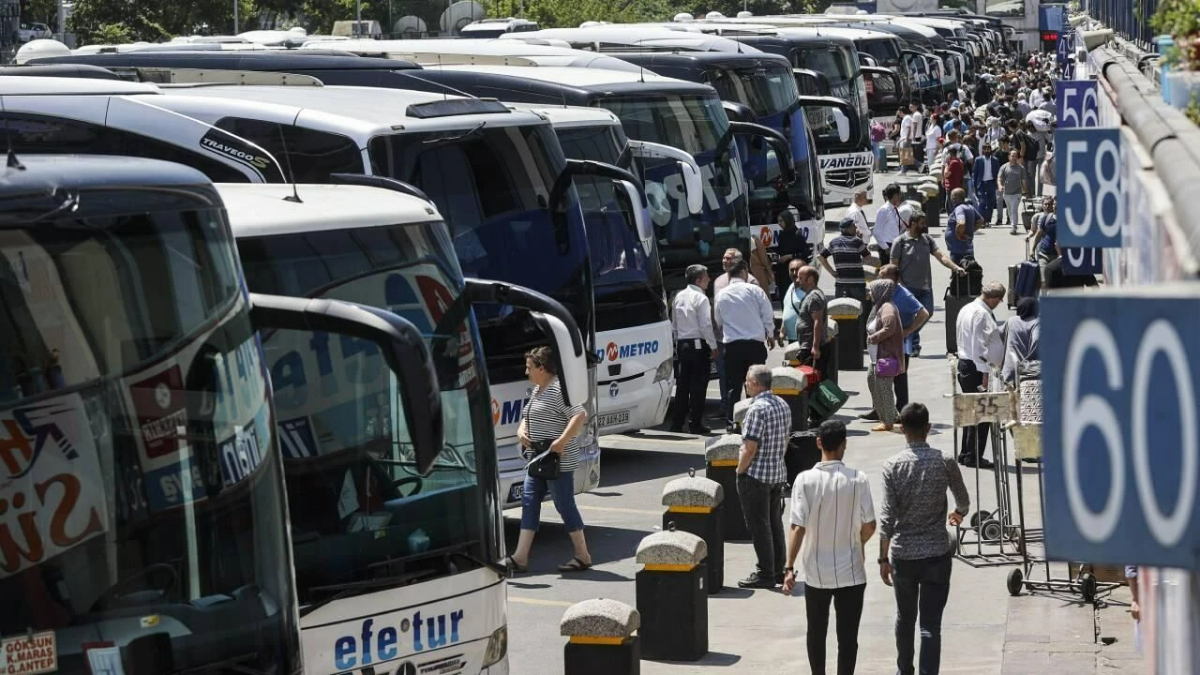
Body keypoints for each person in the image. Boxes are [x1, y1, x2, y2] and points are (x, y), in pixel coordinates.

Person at [878, 403, 971, 675]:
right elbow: (963, 500)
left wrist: (883, 558)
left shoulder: (892, 466)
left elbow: (886, 517)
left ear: (902, 430)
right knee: (931, 625)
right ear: (928, 429)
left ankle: (904, 670)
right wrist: (958, 514)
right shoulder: (945, 461)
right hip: (937, 554)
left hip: (904, 555)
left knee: (905, 618)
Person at [783, 420, 876, 675]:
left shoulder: (804, 480)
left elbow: (797, 527)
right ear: (844, 444)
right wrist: (857, 543)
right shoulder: (859, 478)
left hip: (816, 573)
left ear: (818, 443)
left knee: (816, 632)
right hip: (852, 572)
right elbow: (870, 525)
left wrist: (789, 567)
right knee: (848, 638)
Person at [509, 346, 593, 573]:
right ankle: (521, 556)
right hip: (538, 458)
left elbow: (580, 414)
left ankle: (583, 555)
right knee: (529, 501)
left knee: (563, 504)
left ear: (542, 368)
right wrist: (521, 431)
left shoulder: (558, 390)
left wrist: (562, 441)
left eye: (529, 368)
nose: (527, 373)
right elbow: (528, 414)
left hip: (557, 460)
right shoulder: (537, 390)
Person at [736, 365, 792, 589]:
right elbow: (786, 439)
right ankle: (778, 569)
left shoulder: (757, 409)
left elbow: (749, 448)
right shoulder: (782, 404)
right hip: (777, 472)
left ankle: (765, 573)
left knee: (759, 526)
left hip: (756, 476)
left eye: (748, 381)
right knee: (774, 523)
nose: (746, 384)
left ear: (757, 384)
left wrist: (740, 471)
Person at [890, 213, 966, 357]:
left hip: (925, 287)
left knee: (926, 313)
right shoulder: (900, 242)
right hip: (907, 288)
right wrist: (900, 286)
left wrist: (955, 267)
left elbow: (941, 256)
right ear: (912, 224)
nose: (925, 226)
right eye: (922, 223)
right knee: (912, 317)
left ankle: (907, 336)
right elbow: (893, 266)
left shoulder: (927, 240)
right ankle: (912, 345)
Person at [714, 259, 775, 429]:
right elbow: (767, 314)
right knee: (756, 385)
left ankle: (731, 422)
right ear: (744, 272)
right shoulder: (755, 290)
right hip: (755, 346)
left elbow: (718, 321)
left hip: (732, 346)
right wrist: (770, 335)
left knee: (733, 386)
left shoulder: (721, 294)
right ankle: (755, 420)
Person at [954, 282, 1006, 469]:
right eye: (999, 300)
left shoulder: (967, 308)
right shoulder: (982, 314)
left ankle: (966, 453)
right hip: (976, 368)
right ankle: (974, 456)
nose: (998, 304)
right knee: (982, 414)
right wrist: (984, 373)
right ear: (993, 298)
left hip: (967, 365)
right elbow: (978, 347)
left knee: (970, 412)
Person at [670, 264, 717, 434]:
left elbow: (674, 324)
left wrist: (677, 343)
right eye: (706, 277)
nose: (709, 280)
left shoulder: (678, 296)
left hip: (683, 344)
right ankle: (695, 423)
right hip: (698, 344)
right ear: (698, 280)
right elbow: (705, 325)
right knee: (698, 386)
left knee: (683, 386)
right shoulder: (701, 298)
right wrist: (713, 346)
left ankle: (677, 423)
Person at [864, 279, 906, 432]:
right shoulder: (879, 306)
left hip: (885, 357)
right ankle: (891, 414)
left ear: (879, 291)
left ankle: (887, 421)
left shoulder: (887, 308)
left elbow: (889, 327)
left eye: (872, 290)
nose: (869, 293)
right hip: (876, 356)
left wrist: (874, 337)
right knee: (873, 382)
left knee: (883, 388)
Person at [819, 217, 872, 305]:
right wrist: (858, 262)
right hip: (857, 284)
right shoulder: (857, 241)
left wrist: (832, 272)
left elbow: (821, 257)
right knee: (860, 310)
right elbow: (868, 257)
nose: (856, 228)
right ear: (848, 228)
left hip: (841, 284)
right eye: (854, 226)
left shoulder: (834, 242)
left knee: (841, 310)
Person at [795, 266, 828, 371]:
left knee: (811, 380)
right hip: (807, 345)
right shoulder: (812, 295)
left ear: (810, 279)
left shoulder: (814, 297)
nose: (797, 281)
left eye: (800, 278)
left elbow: (817, 321)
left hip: (810, 348)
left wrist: (815, 346)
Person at [1001, 297, 1039, 386]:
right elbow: (1037, 340)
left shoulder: (1012, 320)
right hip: (1025, 373)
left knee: (1009, 398)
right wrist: (1030, 359)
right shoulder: (1036, 323)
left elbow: (998, 334)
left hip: (1008, 371)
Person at [774, 209, 811, 296]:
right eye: (778, 221)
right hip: (783, 273)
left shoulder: (797, 234)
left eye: (781, 221)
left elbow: (806, 253)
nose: (779, 223)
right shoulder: (782, 235)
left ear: (788, 220)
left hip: (795, 273)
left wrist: (790, 256)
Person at [873, 184, 910, 267]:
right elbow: (876, 232)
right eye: (899, 194)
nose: (900, 196)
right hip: (887, 247)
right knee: (887, 274)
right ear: (896, 195)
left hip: (894, 245)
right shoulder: (884, 210)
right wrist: (886, 248)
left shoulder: (894, 208)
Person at [946, 188, 983, 265]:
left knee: (958, 272)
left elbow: (961, 223)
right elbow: (981, 221)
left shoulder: (959, 209)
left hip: (958, 250)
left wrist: (960, 234)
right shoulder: (970, 207)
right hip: (967, 247)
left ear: (958, 197)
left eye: (953, 197)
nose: (952, 199)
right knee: (968, 270)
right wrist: (971, 230)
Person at [997, 149, 1027, 235]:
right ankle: (1013, 223)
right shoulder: (1004, 167)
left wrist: (1026, 191)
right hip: (1006, 193)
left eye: (1016, 156)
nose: (1014, 158)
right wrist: (1000, 185)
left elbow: (1023, 180)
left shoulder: (1021, 168)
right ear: (1009, 157)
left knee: (1014, 209)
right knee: (1010, 210)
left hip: (1017, 193)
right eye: (1012, 156)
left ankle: (1014, 227)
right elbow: (999, 178)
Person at [971, 143, 1001, 226]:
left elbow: (998, 173)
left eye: (988, 149)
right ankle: (982, 221)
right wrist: (974, 185)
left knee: (990, 203)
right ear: (983, 150)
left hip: (991, 183)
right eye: (985, 149)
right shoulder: (978, 160)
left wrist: (998, 184)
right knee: (982, 202)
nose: (987, 150)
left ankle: (987, 220)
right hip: (981, 184)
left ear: (991, 150)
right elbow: (975, 174)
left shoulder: (995, 160)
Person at [781, 259, 808, 343]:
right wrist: (782, 331)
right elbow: (787, 309)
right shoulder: (791, 287)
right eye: (792, 270)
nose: (794, 273)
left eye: (798, 270)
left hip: (804, 340)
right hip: (791, 339)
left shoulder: (809, 292)